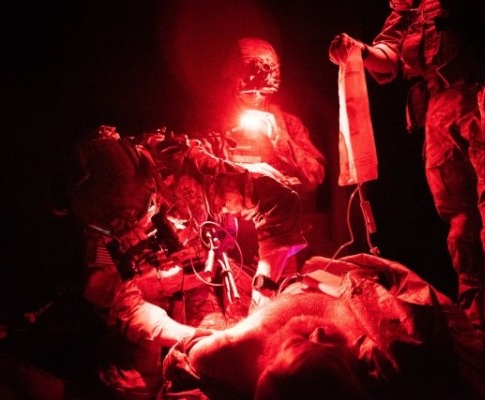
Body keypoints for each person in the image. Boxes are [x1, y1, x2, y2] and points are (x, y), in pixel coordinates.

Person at [328, 1, 485, 398]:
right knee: (461, 232)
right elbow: (390, 54)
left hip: (483, 95)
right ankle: (477, 344)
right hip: (439, 108)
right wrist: (359, 52)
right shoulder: (408, 5)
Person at [62, 125, 307, 399]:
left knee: (227, 358)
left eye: (138, 213)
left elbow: (279, 202)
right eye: (119, 225)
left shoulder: (185, 169)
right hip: (145, 301)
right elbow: (117, 297)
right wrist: (183, 335)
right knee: (130, 386)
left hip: (200, 281)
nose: (131, 227)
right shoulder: (94, 211)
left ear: (149, 180)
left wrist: (264, 286)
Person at [161, 253, 485, 400]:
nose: (318, 332)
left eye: (297, 346)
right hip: (324, 284)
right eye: (326, 350)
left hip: (255, 309)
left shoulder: (227, 355)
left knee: (207, 296)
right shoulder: (402, 352)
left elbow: (185, 356)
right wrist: (343, 278)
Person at [194, 37, 327, 273]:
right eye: (249, 91)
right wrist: (241, 174)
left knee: (279, 293)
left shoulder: (287, 124)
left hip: (279, 240)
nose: (256, 97)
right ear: (234, 82)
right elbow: (196, 175)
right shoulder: (214, 125)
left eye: (262, 92)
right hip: (230, 243)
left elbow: (315, 175)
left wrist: (281, 142)